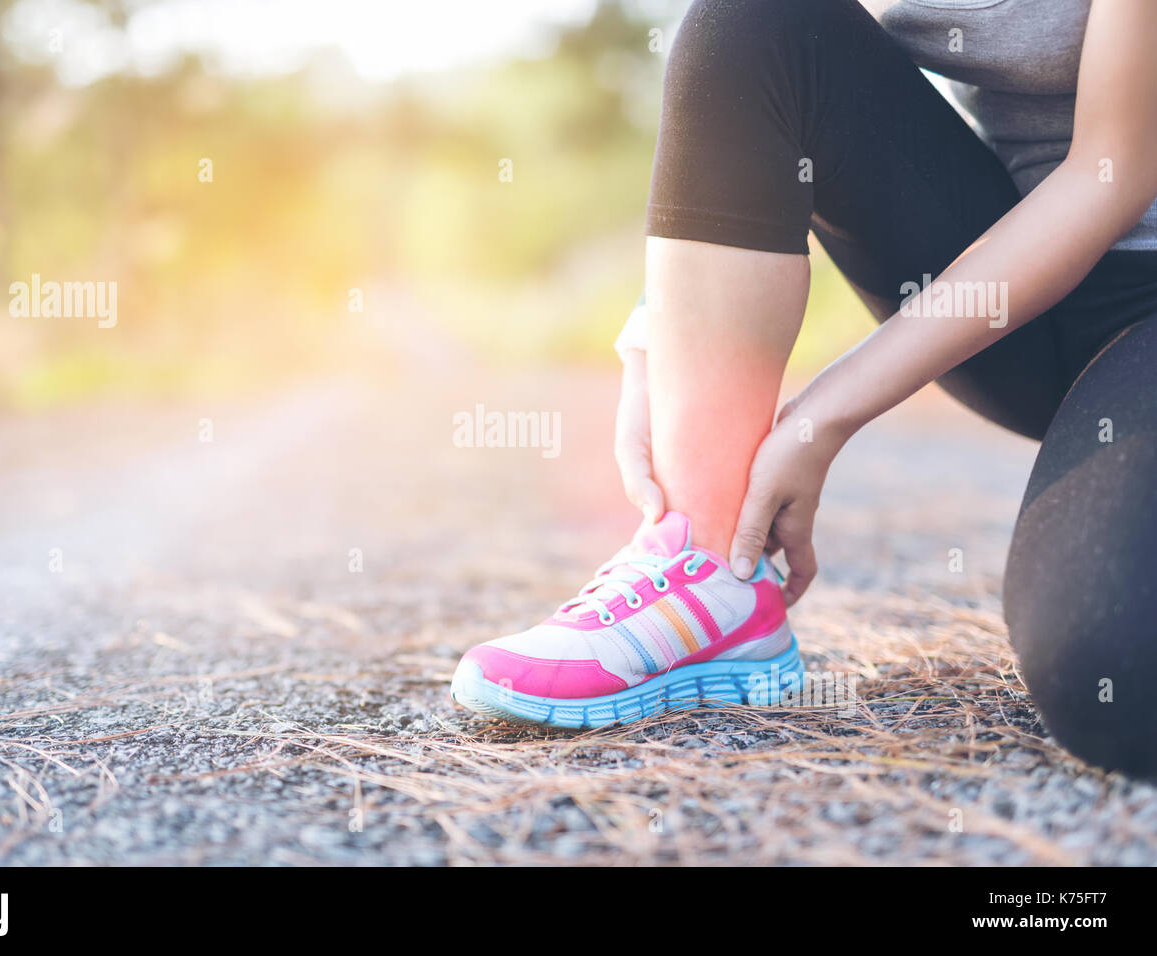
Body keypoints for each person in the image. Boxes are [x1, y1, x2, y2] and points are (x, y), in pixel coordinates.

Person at [451, 0, 1157, 779]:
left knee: (1118, 681)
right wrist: (664, 338)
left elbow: (1109, 176)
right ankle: (712, 573)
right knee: (752, 16)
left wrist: (823, 413)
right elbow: (752, 64)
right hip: (1022, 289)